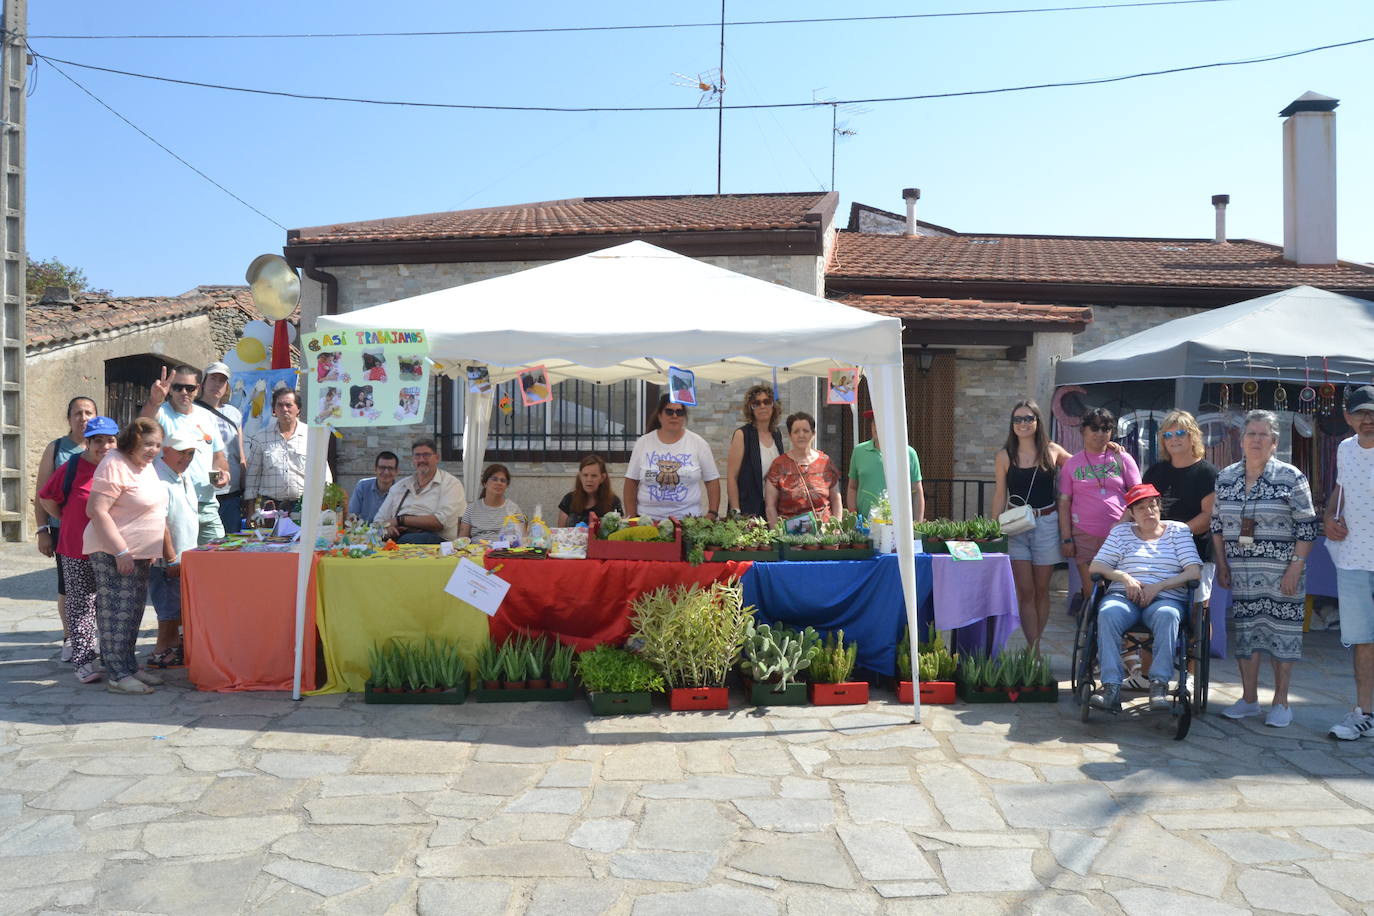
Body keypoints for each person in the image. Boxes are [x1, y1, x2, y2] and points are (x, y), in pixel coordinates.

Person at [1212, 409, 1318, 727]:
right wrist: (1222, 563)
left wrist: (1295, 568)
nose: (1256, 440)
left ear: (1274, 442)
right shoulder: (1226, 477)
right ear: (1241, 440)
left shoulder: (1291, 477)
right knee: (1246, 636)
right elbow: (1217, 524)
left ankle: (1282, 703)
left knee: (1282, 637)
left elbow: (1307, 527)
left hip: (1282, 575)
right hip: (1242, 575)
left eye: (1263, 435)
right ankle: (1248, 699)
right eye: (1251, 434)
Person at [1087, 483, 1202, 712]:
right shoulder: (1121, 532)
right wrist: (1124, 577)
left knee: (1168, 615)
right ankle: (1111, 687)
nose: (1149, 511)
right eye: (1141, 508)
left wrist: (1159, 586)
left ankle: (1158, 685)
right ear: (1131, 513)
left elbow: (1193, 572)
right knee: (1107, 612)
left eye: (1153, 506)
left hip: (1165, 598)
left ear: (1160, 508)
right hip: (1123, 597)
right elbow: (1096, 566)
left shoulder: (1178, 531)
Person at [83, 418, 172, 696]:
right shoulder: (114, 463)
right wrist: (121, 550)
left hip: (139, 554)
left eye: (157, 444)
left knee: (132, 612)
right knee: (115, 614)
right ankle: (117, 674)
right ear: (133, 441)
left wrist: (152, 549)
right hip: (113, 551)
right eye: (147, 444)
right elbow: (96, 510)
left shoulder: (143, 466)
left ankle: (129, 665)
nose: (153, 450)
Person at [35, 415, 118, 683]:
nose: (104, 446)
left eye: (110, 440)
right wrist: (67, 516)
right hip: (75, 547)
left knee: (110, 605)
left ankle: (111, 656)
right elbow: (46, 497)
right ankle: (83, 661)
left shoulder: (119, 466)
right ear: (87, 442)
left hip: (109, 548)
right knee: (80, 605)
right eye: (98, 441)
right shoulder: (72, 466)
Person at [991, 400, 1072, 647]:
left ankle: (1034, 646)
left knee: (1041, 589)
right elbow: (999, 494)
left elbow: (1082, 466)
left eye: (1028, 418)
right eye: (1017, 419)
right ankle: (1033, 648)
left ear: (1037, 421)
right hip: (1016, 526)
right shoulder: (1004, 456)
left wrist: (1108, 451)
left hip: (1047, 522)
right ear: (1012, 424)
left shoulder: (1052, 450)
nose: (1023, 423)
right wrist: (992, 528)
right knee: (1025, 591)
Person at [1324, 386, 1374, 740]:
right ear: (1347, 418)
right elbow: (1340, 492)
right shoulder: (1344, 448)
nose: (1368, 419)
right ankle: (1365, 712)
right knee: (1362, 640)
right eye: (1360, 413)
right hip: (1354, 559)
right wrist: (1328, 518)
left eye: (1373, 412)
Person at [32, 395, 98, 660]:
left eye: (88, 413)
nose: (83, 418)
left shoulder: (103, 447)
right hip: (65, 532)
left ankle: (90, 638)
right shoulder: (57, 448)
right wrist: (44, 529)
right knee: (68, 589)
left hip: (100, 532)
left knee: (96, 589)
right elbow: (42, 492)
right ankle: (70, 637)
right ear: (69, 418)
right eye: (78, 413)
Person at [1060, 407, 1141, 605]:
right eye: (1094, 428)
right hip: (1084, 536)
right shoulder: (1071, 464)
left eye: (1105, 428)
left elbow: (1139, 496)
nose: (1100, 433)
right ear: (1083, 431)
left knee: (1121, 592)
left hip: (1120, 536)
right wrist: (1066, 538)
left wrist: (1123, 522)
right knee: (1092, 593)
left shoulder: (1122, 458)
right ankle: (1093, 633)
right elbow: (1064, 503)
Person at [140, 365, 229, 543]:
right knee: (180, 562)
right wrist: (154, 401)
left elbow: (218, 456)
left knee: (218, 560)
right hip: (174, 502)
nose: (183, 392)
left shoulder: (207, 416)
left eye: (190, 388)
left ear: (198, 388)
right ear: (170, 389)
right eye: (177, 387)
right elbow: (143, 424)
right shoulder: (160, 412)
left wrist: (223, 474)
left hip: (206, 501)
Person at [146, 432, 200, 669]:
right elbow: (161, 522)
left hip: (184, 553)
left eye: (191, 453)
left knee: (177, 605)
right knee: (167, 608)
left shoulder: (181, 475)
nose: (187, 458)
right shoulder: (158, 478)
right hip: (168, 557)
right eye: (182, 452)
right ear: (165, 450)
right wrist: (171, 557)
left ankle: (171, 649)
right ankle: (161, 651)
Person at [624, 394, 720, 521]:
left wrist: (712, 513)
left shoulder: (698, 443)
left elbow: (712, 480)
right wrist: (632, 518)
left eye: (679, 412)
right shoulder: (643, 443)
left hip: (688, 521)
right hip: (647, 521)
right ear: (659, 416)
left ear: (684, 417)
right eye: (669, 411)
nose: (674, 416)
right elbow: (631, 482)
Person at [375, 438, 467, 543]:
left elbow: (440, 522)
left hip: (438, 541)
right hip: (400, 538)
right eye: (417, 456)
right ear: (413, 459)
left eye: (426, 455)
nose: (421, 460)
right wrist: (387, 529)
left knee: (408, 540)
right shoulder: (401, 486)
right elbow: (378, 521)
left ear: (437, 458)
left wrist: (401, 520)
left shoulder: (450, 484)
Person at [244, 388, 318, 517]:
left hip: (303, 506)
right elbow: (252, 477)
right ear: (274, 409)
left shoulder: (311, 435)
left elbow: (322, 473)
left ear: (298, 409)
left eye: (289, 405)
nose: (284, 409)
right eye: (280, 405)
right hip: (270, 507)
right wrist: (250, 512)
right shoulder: (261, 437)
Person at [846, 410, 924, 523]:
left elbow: (916, 491)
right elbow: (852, 487)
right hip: (864, 526)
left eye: (882, 422)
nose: (877, 427)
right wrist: (854, 518)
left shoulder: (908, 453)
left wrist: (917, 525)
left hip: (899, 526)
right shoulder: (859, 451)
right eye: (874, 422)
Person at [765, 411, 842, 525]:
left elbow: (836, 499)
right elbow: (770, 506)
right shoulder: (778, 465)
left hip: (824, 535)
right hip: (791, 536)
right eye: (796, 431)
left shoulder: (825, 462)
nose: (801, 435)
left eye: (806, 431)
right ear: (790, 436)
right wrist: (778, 535)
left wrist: (837, 528)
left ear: (813, 434)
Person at [197, 362, 247, 534]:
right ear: (203, 382)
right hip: (201, 494)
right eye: (213, 378)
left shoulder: (234, 413)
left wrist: (244, 492)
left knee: (230, 546)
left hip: (230, 494)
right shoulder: (191, 410)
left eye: (222, 380)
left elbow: (240, 454)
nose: (217, 384)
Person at [725, 384, 784, 518]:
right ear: (750, 408)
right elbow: (732, 477)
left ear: (774, 406)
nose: (762, 406)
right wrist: (736, 512)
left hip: (772, 510)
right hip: (747, 511)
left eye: (767, 402)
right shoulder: (742, 435)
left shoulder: (777, 434)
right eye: (756, 403)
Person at [459, 464, 523, 541]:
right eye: (494, 479)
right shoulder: (472, 508)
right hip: (476, 551)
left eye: (503, 480)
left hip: (504, 552)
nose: (499, 483)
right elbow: (462, 540)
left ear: (506, 486)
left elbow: (522, 539)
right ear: (485, 483)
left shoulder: (513, 509)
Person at [557, 454, 624, 526]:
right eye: (585, 475)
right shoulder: (569, 499)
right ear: (580, 476)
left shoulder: (613, 502)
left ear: (602, 478)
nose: (589, 480)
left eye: (594, 476)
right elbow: (561, 530)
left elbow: (619, 530)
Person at [350, 451, 400, 525]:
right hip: (364, 533)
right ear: (375, 469)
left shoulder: (401, 491)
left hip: (390, 533)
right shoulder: (362, 486)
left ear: (397, 471)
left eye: (390, 468)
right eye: (382, 468)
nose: (386, 472)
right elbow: (352, 516)